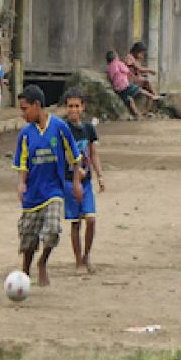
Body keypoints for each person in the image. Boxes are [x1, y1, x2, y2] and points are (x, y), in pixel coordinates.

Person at [12, 85, 81, 288]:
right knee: (28, 238)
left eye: (25, 109)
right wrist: (21, 183)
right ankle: (26, 269)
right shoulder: (25, 134)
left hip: (54, 191)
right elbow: (23, 162)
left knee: (52, 229)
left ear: (37, 105)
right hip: (33, 193)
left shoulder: (59, 127)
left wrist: (76, 182)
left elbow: (75, 157)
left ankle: (43, 262)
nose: (22, 114)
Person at [61, 89, 104, 274]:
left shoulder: (88, 129)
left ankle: (87, 256)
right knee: (75, 222)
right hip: (70, 182)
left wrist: (100, 175)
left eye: (77, 106)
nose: (73, 110)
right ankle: (78, 260)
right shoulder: (62, 129)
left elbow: (94, 154)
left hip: (86, 182)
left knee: (91, 220)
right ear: (65, 108)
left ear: (83, 107)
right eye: (70, 106)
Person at [106, 50, 155, 117]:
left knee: (130, 100)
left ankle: (138, 115)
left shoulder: (108, 67)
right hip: (126, 86)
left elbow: (110, 78)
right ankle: (146, 113)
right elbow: (126, 70)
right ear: (115, 57)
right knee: (149, 95)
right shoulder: (119, 63)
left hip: (118, 90)